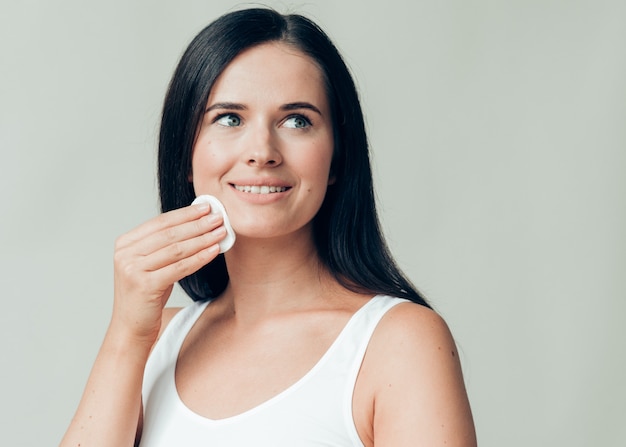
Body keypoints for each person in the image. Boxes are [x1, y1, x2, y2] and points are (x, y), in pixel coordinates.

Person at [60, 7, 476, 447]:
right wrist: (126, 333)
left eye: (297, 120)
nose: (262, 151)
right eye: (229, 118)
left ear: (336, 157)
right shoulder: (153, 341)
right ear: (185, 154)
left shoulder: (397, 343)